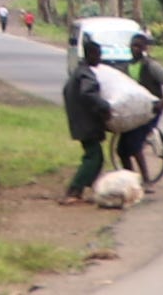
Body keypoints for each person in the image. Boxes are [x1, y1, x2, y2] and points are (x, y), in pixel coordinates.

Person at [117, 32, 163, 189]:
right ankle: (130, 179)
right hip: (132, 112)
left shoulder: (151, 66)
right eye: (132, 46)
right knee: (122, 149)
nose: (134, 49)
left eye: (138, 46)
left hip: (149, 111)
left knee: (135, 144)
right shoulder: (125, 67)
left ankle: (147, 180)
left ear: (144, 48)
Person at [60, 36, 112, 205]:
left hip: (80, 121)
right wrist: (104, 106)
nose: (100, 58)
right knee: (93, 157)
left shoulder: (79, 71)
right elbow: (87, 93)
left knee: (96, 157)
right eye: (98, 55)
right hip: (86, 124)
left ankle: (86, 187)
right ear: (90, 55)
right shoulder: (86, 74)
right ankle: (75, 188)